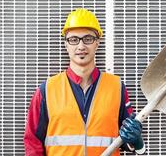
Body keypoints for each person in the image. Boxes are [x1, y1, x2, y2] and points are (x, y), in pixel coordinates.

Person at [24, 8, 145, 155]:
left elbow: (127, 141)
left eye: (88, 39)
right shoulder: (46, 91)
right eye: (74, 40)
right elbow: (32, 142)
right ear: (66, 45)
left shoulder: (116, 87)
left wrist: (135, 141)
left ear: (97, 43)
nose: (81, 46)